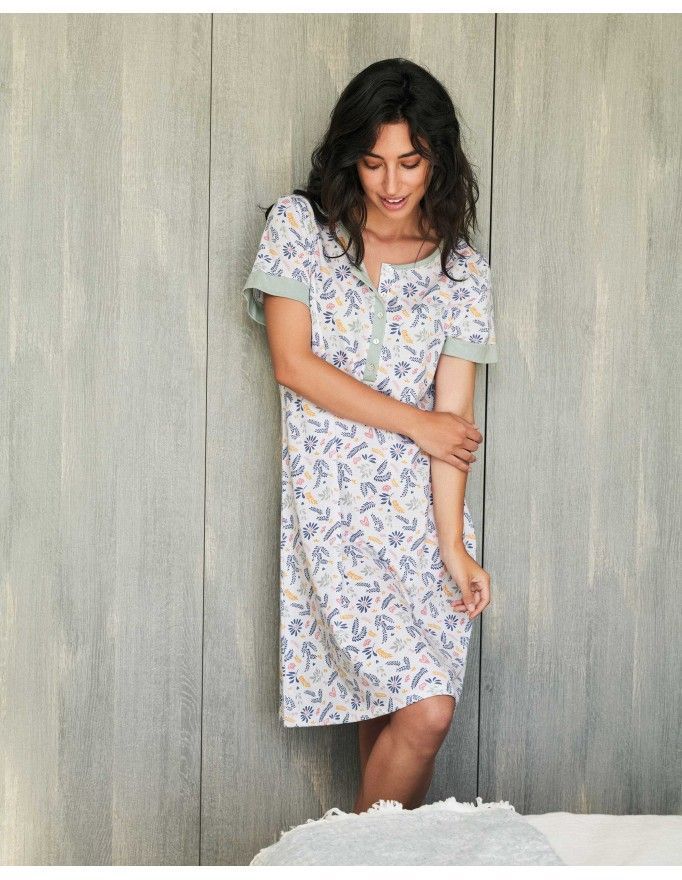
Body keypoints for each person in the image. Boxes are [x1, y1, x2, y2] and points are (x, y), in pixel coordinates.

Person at [241, 58, 498, 813]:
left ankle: (358, 860)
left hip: (419, 522)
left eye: (410, 162)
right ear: (349, 154)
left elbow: (453, 428)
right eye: (374, 160)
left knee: (403, 715)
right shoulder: (300, 231)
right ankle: (364, 861)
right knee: (423, 712)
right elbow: (293, 365)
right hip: (335, 516)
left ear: (438, 160)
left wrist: (453, 547)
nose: (391, 182)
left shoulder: (464, 273)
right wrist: (418, 422)